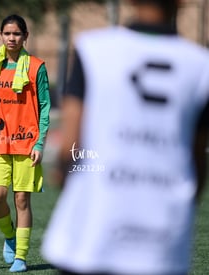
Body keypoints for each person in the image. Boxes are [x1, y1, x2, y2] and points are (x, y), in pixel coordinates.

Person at [41, 0, 209, 274]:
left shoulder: (93, 49)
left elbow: (72, 142)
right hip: (162, 236)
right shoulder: (201, 65)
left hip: (96, 227)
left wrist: (62, 172)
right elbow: (197, 157)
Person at [0, 14, 51, 273]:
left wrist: (39, 144)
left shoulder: (36, 67)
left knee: (22, 201)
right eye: (7, 33)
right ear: (0, 36)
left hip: (26, 144)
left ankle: (21, 257)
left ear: (25, 36)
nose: (12, 38)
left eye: (17, 33)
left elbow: (45, 107)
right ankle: (9, 236)